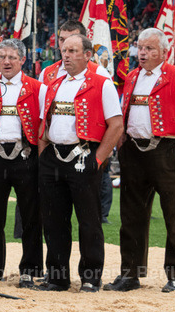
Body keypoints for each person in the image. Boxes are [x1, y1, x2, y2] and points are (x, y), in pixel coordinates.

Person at [107, 28, 175, 293]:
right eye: (140, 48)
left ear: (164, 52)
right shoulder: (131, 77)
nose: (143, 53)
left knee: (174, 215)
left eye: (150, 49)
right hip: (134, 152)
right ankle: (131, 274)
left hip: (166, 151)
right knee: (131, 216)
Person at [37, 33, 123, 292]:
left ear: (88, 55)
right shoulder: (54, 84)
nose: (66, 55)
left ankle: (90, 277)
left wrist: (98, 160)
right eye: (64, 50)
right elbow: (45, 123)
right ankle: (57, 277)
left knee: (89, 220)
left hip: (84, 157)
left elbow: (116, 124)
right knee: (53, 220)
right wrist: (43, 154)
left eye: (73, 51)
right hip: (53, 157)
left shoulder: (102, 83)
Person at [0, 39, 44, 288]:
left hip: (26, 155)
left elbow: (43, 125)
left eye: (12, 57)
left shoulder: (37, 88)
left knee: (30, 215)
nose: (6, 61)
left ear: (22, 60)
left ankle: (30, 269)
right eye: (2, 57)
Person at [40, 20, 112, 84]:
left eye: (71, 40)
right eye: (62, 40)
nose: (65, 45)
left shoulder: (100, 73)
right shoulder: (46, 74)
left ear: (84, 42)